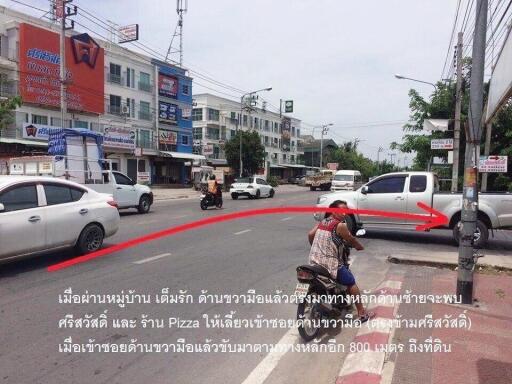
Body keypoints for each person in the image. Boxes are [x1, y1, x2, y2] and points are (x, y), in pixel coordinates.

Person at [307, 200, 374, 323]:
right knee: (351, 282)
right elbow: (351, 239)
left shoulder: (322, 222)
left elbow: (310, 234)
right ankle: (362, 313)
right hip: (330, 264)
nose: (344, 213)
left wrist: (316, 248)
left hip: (314, 261)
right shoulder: (340, 225)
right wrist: (359, 246)